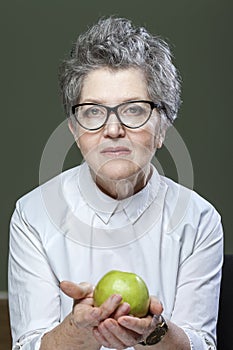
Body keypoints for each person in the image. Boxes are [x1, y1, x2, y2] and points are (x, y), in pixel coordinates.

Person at [8, 17, 223, 350]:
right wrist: (78, 330)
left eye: (134, 110)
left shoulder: (199, 220)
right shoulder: (32, 216)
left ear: (163, 127)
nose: (112, 130)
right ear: (74, 130)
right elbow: (28, 345)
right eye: (93, 112)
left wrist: (155, 331)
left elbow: (202, 344)